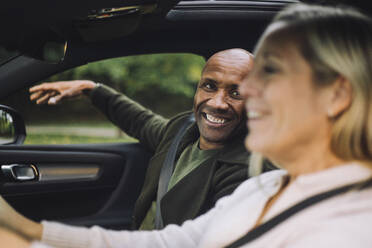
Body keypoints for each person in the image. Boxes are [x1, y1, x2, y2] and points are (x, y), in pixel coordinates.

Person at [2, 2, 372, 247]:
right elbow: (175, 241)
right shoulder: (268, 187)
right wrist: (31, 232)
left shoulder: (350, 228)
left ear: (336, 96)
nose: (252, 93)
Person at [28, 49, 273, 230]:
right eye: (209, 86)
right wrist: (92, 90)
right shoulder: (182, 131)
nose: (217, 103)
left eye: (236, 93)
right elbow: (142, 122)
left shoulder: (250, 172)